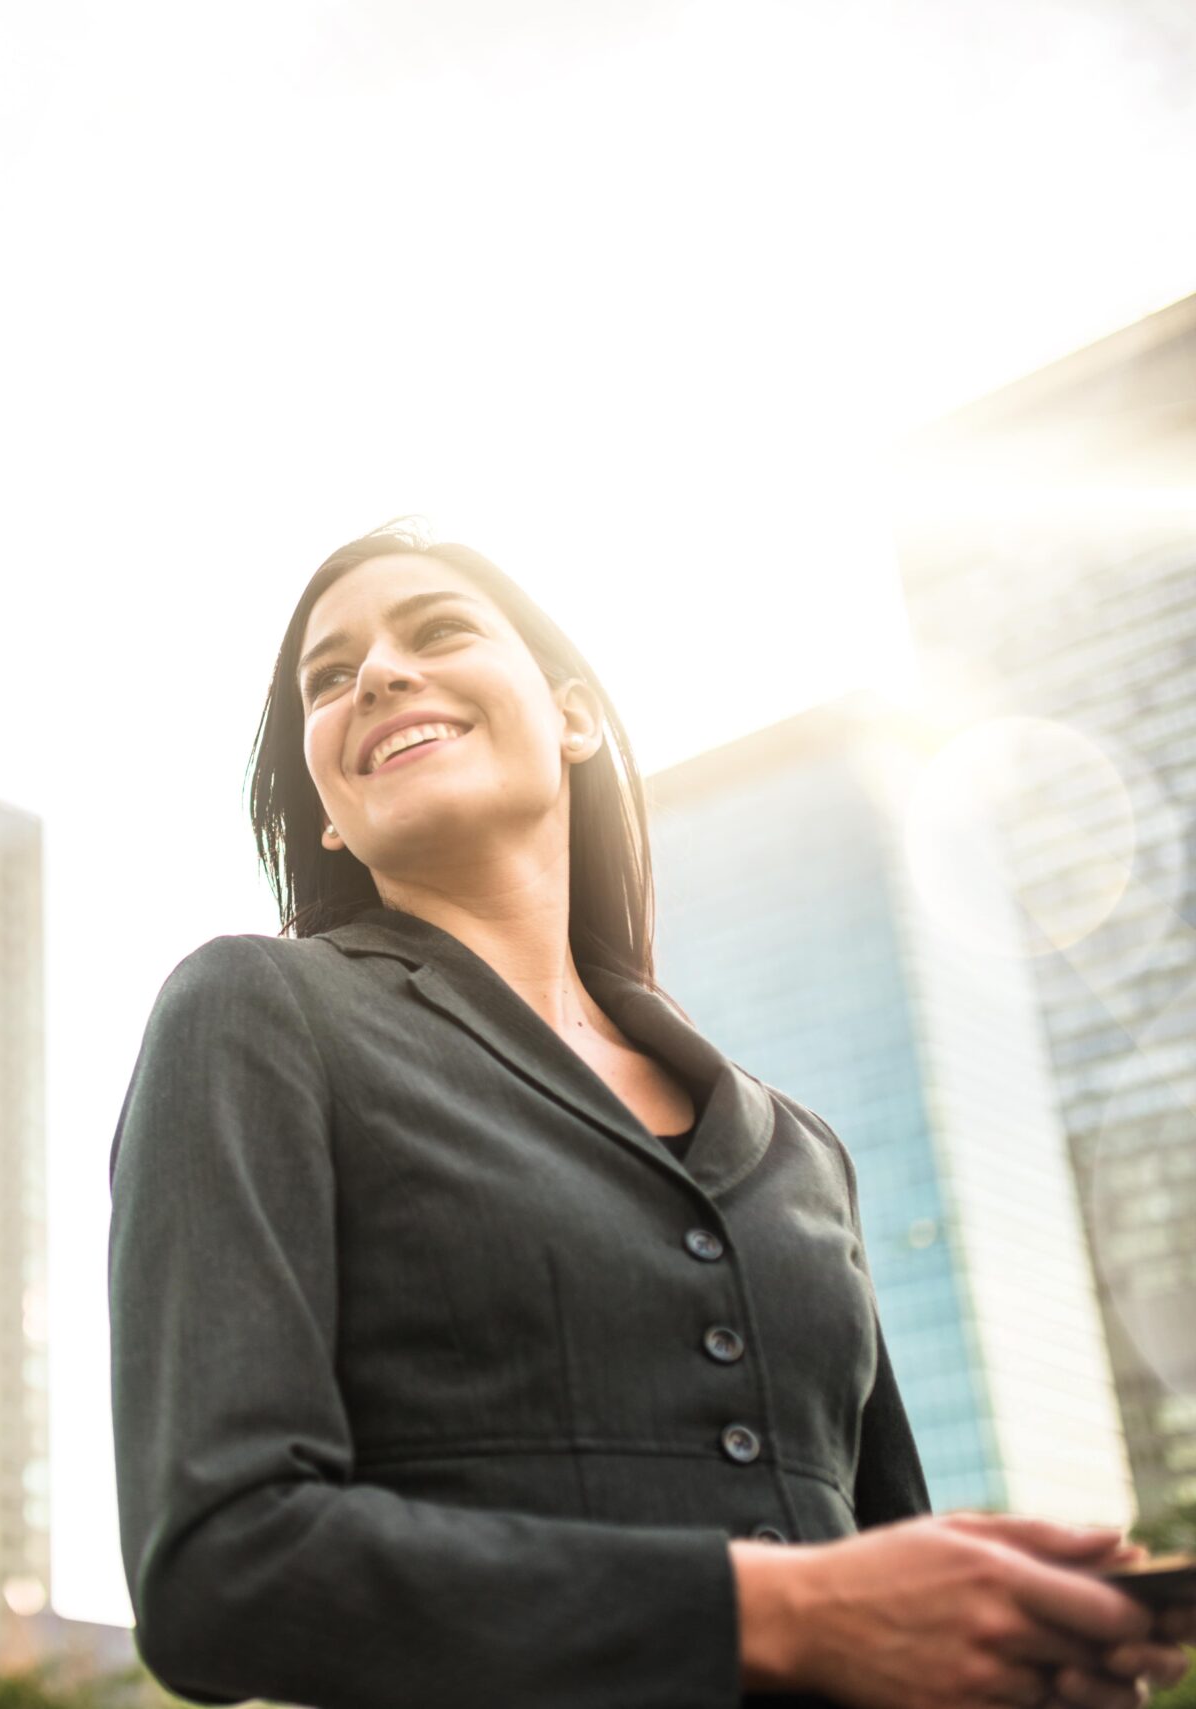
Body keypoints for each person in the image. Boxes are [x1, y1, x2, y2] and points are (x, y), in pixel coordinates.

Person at [106, 523, 1196, 1709]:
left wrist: (1020, 1648)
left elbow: (889, 1583)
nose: (375, 674)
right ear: (328, 807)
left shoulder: (802, 1151)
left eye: (438, 629)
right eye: (329, 676)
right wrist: (783, 1611)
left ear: (571, 715)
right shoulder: (252, 1010)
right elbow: (223, 1567)